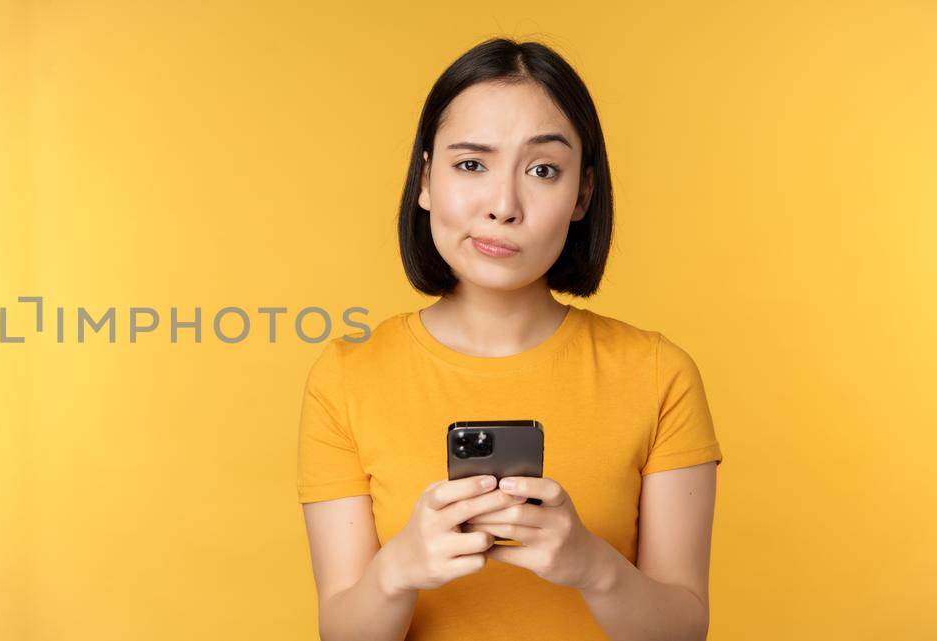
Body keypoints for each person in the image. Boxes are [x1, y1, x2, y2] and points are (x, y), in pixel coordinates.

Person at [296, 38, 723, 641]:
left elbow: (684, 630)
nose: (503, 205)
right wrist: (398, 570)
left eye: (542, 170)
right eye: (471, 164)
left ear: (582, 195)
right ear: (424, 181)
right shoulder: (346, 376)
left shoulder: (658, 373)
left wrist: (592, 565)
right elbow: (342, 632)